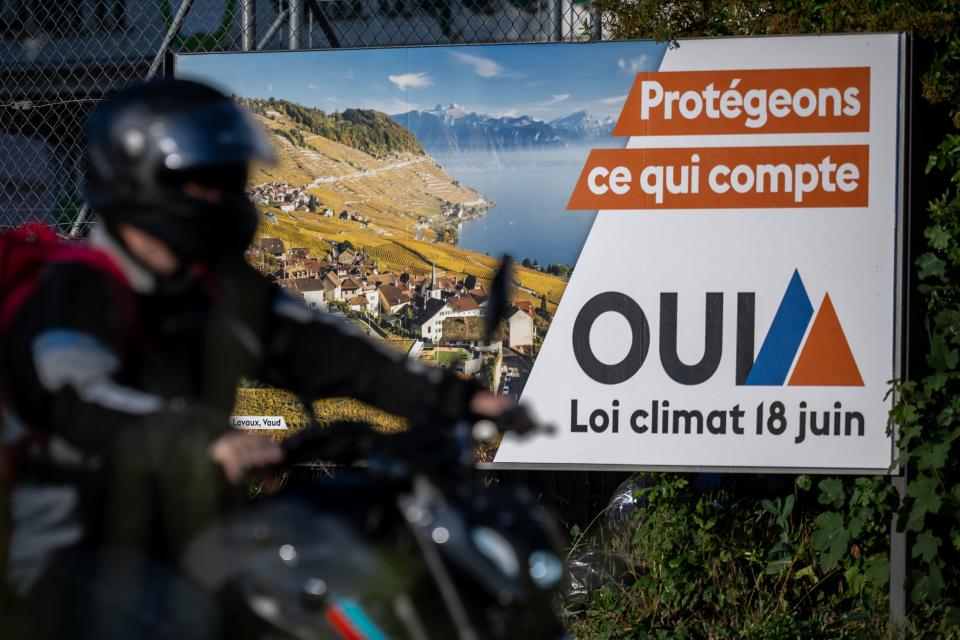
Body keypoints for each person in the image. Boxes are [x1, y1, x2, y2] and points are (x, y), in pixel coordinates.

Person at [0, 78, 514, 638]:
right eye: (208, 182)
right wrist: (205, 440)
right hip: (73, 556)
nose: (228, 197)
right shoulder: (74, 293)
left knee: (344, 583)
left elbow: (327, 347)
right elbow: (83, 399)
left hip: (194, 531)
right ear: (144, 184)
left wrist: (452, 396)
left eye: (232, 179)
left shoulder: (211, 286)